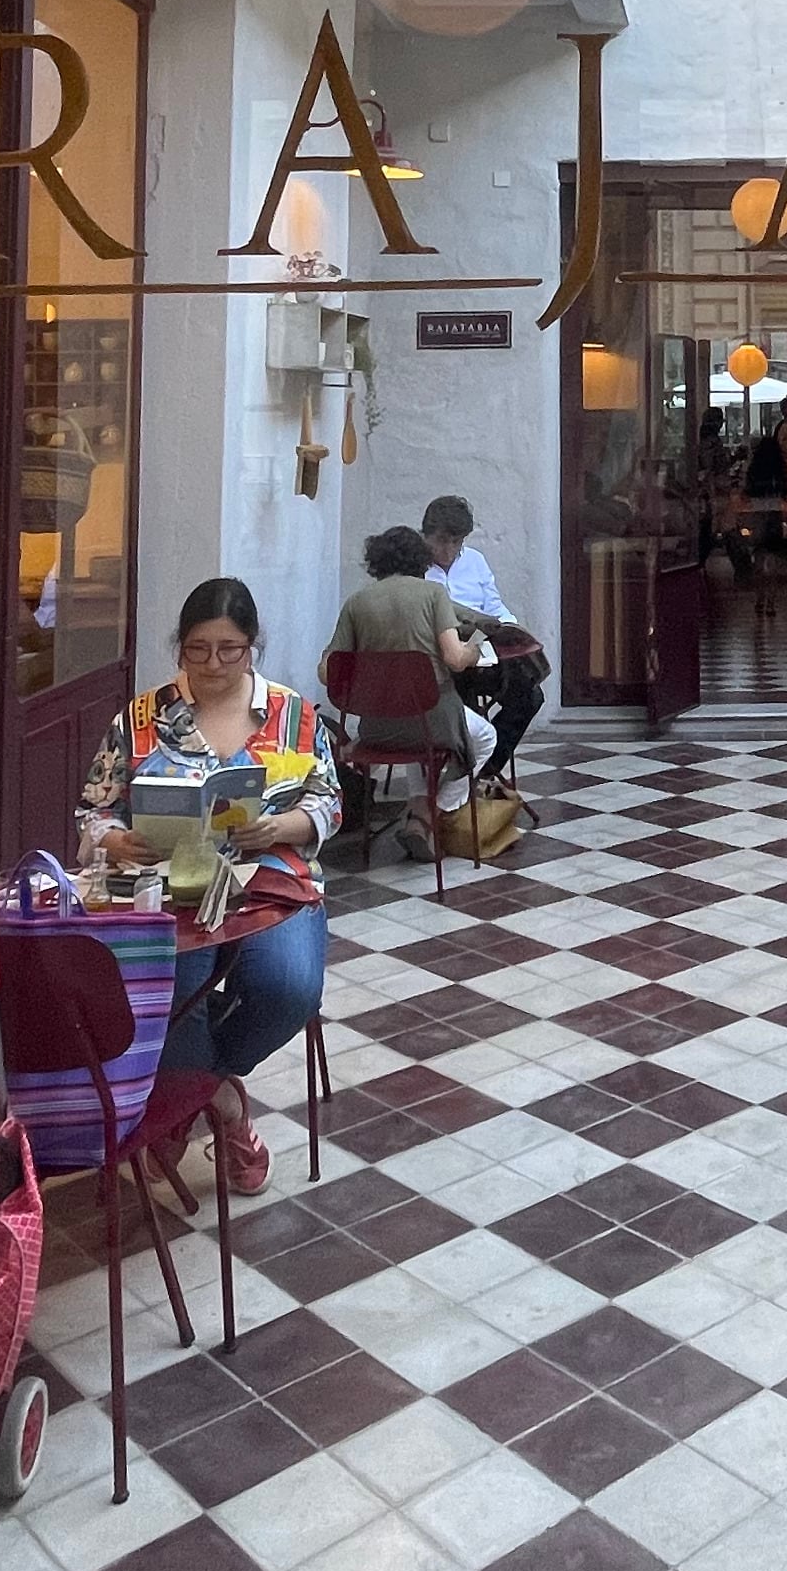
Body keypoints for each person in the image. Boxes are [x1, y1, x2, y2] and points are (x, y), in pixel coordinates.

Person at [82, 578, 336, 1197]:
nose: (215, 664)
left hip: (271, 878)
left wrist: (284, 824)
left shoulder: (293, 716)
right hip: (164, 885)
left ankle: (204, 1087)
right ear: (179, 647)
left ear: (252, 647)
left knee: (289, 986)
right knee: (170, 991)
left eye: (230, 650)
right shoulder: (141, 719)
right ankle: (221, 1107)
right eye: (198, 650)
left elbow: (328, 802)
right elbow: (95, 810)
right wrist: (116, 840)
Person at [326, 524, 491, 858]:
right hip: (432, 722)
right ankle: (428, 813)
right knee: (486, 737)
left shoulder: (357, 603)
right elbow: (454, 659)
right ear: (421, 561)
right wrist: (476, 649)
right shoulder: (433, 595)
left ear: (377, 562)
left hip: (376, 728)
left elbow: (328, 669)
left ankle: (417, 808)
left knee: (419, 739)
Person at [421, 493, 545, 785]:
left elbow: (494, 607)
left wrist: (511, 628)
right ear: (425, 535)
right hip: (433, 665)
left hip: (474, 657)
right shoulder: (412, 566)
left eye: (456, 542)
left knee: (529, 695)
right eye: (441, 541)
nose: (448, 550)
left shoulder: (475, 561)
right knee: (462, 711)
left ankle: (481, 771)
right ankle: (457, 780)